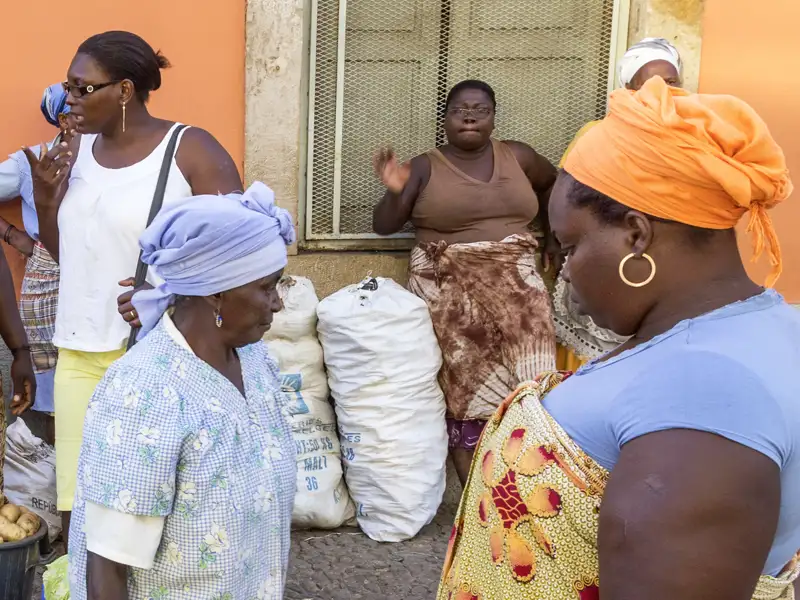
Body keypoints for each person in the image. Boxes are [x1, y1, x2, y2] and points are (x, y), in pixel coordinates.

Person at [437, 77, 800, 600]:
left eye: (570, 247)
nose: (563, 275)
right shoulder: (754, 329)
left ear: (636, 235)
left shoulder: (706, 392)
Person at [24, 30, 243, 542]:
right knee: (79, 508)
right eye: (67, 86)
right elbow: (69, 257)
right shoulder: (72, 152)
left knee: (148, 510)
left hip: (159, 356)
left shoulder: (188, 148)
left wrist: (168, 291)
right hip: (79, 350)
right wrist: (47, 200)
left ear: (124, 91)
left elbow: (244, 249)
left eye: (83, 89)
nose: (69, 101)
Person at [66, 182, 296, 600]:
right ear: (216, 292)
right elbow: (108, 571)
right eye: (267, 287)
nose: (277, 303)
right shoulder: (146, 394)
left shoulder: (255, 362)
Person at [372, 80, 558, 486]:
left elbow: (553, 184)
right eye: (460, 110)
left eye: (480, 109)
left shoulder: (519, 156)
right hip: (450, 287)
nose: (470, 116)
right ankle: (478, 495)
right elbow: (385, 226)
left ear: (493, 117)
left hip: (519, 284)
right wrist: (394, 192)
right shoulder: (424, 166)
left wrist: (555, 237)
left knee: (533, 380)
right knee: (466, 384)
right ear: (445, 119)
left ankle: (532, 482)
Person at [554, 37, 683, 371]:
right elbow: (567, 198)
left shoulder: (692, 139)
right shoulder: (598, 135)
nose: (662, 91)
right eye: (649, 83)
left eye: (671, 82)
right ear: (628, 87)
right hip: (607, 260)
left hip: (667, 265)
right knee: (595, 365)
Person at [0, 84, 78, 437]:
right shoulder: (31, 160)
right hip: (49, 279)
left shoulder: (116, 160)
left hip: (103, 275)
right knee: (53, 390)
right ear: (62, 118)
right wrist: (13, 235)